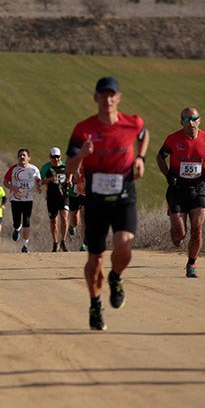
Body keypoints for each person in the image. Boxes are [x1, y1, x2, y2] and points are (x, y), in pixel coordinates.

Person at [65, 76, 149, 331]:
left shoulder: (132, 123)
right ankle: (94, 303)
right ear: (96, 98)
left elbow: (144, 135)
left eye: (112, 95)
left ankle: (116, 277)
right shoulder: (83, 129)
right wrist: (81, 155)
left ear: (118, 98)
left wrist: (141, 158)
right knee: (96, 259)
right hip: (96, 200)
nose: (107, 99)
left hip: (124, 194)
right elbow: (68, 167)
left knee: (124, 247)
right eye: (103, 95)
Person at [156, 107, 205, 278]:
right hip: (177, 190)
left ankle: (191, 263)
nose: (191, 123)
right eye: (186, 120)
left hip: (198, 189)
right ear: (181, 122)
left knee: (197, 228)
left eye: (194, 119)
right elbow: (160, 156)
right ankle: (177, 236)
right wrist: (168, 175)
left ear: (199, 120)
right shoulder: (173, 139)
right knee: (180, 233)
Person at [4, 149, 42, 253]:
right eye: (20, 155)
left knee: (27, 221)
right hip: (15, 198)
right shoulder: (13, 169)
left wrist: (39, 186)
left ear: (29, 158)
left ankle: (25, 245)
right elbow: (5, 182)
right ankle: (17, 228)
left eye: (24, 155)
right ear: (18, 157)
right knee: (16, 221)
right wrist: (13, 188)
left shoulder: (34, 169)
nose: (22, 157)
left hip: (28, 198)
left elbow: (39, 180)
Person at [41, 147, 71, 252]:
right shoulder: (46, 168)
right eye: (53, 157)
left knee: (64, 217)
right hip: (51, 197)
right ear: (50, 157)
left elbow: (70, 172)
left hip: (64, 195)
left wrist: (70, 180)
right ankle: (55, 242)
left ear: (60, 156)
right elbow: (40, 182)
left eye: (58, 157)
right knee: (53, 221)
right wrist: (50, 179)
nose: (56, 159)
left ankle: (63, 241)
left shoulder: (65, 165)